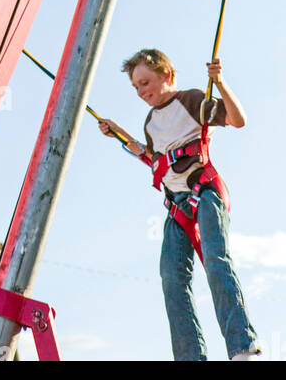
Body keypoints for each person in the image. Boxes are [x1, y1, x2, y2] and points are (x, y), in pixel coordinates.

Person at [99, 47, 261, 362]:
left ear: (167, 75)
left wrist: (220, 82)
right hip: (176, 206)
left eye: (145, 82)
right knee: (173, 280)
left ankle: (242, 348)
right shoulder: (150, 123)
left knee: (216, 262)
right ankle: (190, 357)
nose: (140, 91)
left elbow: (238, 120)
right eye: (135, 87)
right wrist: (117, 132)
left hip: (205, 192)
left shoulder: (190, 100)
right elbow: (153, 159)